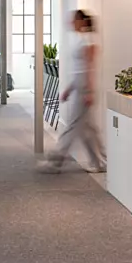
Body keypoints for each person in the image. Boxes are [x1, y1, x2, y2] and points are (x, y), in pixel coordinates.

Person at [43, 10, 105, 173]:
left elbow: (90, 68)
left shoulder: (89, 41)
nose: (71, 23)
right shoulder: (80, 39)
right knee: (88, 129)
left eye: (74, 20)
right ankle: (101, 162)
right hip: (79, 86)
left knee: (72, 126)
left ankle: (56, 160)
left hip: (85, 88)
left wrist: (89, 91)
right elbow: (78, 69)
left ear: (82, 22)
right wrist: (70, 88)